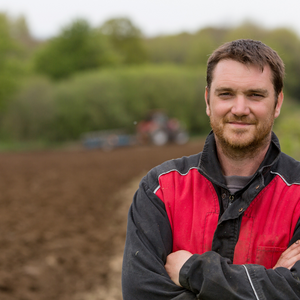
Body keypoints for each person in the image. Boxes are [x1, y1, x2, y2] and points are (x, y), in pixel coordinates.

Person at [122, 39, 300, 299]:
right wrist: (271, 284)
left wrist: (193, 271)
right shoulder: (160, 189)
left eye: (255, 95)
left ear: (278, 102)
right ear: (208, 100)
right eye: (226, 94)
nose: (239, 109)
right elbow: (141, 293)